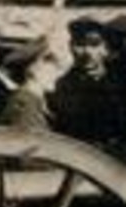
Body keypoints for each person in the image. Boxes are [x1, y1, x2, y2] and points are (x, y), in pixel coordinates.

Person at [51, 16, 126, 155]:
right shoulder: (64, 85)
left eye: (94, 44)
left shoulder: (119, 83)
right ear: (70, 47)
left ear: (106, 49)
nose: (87, 52)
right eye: (80, 44)